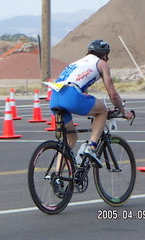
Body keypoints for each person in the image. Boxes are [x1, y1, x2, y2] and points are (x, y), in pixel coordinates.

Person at [50, 39, 133, 168]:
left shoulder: (77, 63)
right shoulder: (101, 63)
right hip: (71, 95)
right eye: (107, 55)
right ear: (104, 54)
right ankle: (91, 147)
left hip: (55, 96)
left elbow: (85, 94)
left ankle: (57, 177)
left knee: (69, 140)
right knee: (103, 110)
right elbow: (113, 95)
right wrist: (123, 112)